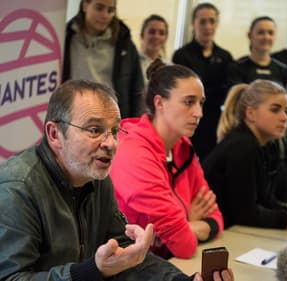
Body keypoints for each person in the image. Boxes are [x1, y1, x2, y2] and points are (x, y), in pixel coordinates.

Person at [0, 80, 234, 281]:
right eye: (94, 130)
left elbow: (125, 252)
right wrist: (92, 271)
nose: (110, 143)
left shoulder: (96, 176)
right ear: (54, 135)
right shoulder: (18, 187)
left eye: (115, 131)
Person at [110, 59, 224, 259]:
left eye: (201, 103)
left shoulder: (182, 148)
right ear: (159, 103)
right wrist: (187, 222)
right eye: (189, 102)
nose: (199, 113)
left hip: (161, 262)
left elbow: (216, 218)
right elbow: (185, 246)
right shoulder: (133, 152)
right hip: (127, 268)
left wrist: (185, 225)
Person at [202, 80, 287, 231]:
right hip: (218, 232)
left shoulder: (261, 145)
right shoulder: (243, 146)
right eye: (275, 110)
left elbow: (264, 199)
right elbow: (246, 214)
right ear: (251, 113)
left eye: (286, 110)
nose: (285, 118)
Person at [172, 2, 233, 160]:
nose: (208, 26)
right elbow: (185, 91)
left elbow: (225, 92)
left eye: (212, 21)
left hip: (214, 121)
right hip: (188, 119)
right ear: (193, 24)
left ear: (217, 24)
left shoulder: (225, 57)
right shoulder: (182, 55)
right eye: (203, 21)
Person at [63, 0, 144, 118]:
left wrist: (133, 124)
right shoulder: (66, 38)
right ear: (85, 5)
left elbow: (137, 89)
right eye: (99, 8)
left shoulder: (124, 44)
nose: (105, 15)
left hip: (111, 117)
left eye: (110, 10)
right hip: (72, 114)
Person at [227, 16, 287, 88]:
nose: (266, 37)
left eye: (270, 33)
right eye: (260, 32)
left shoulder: (283, 70)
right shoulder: (237, 68)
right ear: (250, 35)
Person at [139, 14, 169, 85]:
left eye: (161, 33)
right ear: (142, 35)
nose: (156, 36)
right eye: (152, 32)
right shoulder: (132, 63)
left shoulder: (169, 66)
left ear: (166, 37)